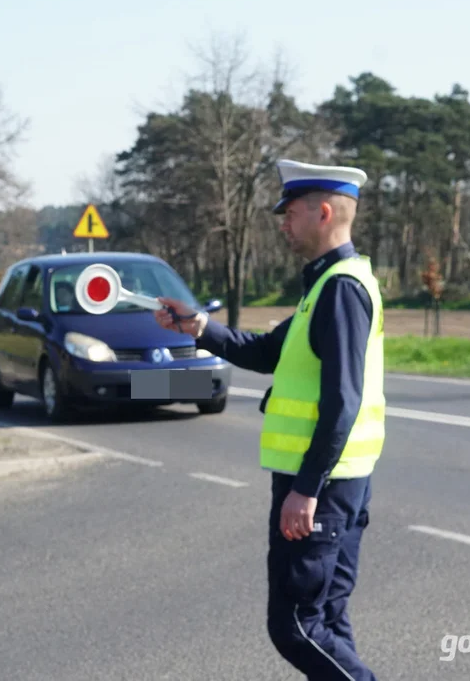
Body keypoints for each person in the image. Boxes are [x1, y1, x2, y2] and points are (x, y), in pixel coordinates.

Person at [153, 159, 385, 681]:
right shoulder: (326, 285)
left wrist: (306, 489)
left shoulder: (340, 290)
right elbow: (264, 352)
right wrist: (198, 326)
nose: (283, 223)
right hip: (340, 481)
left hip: (321, 486)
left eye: (291, 213)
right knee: (327, 619)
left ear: (323, 213)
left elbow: (342, 400)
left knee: (296, 626)